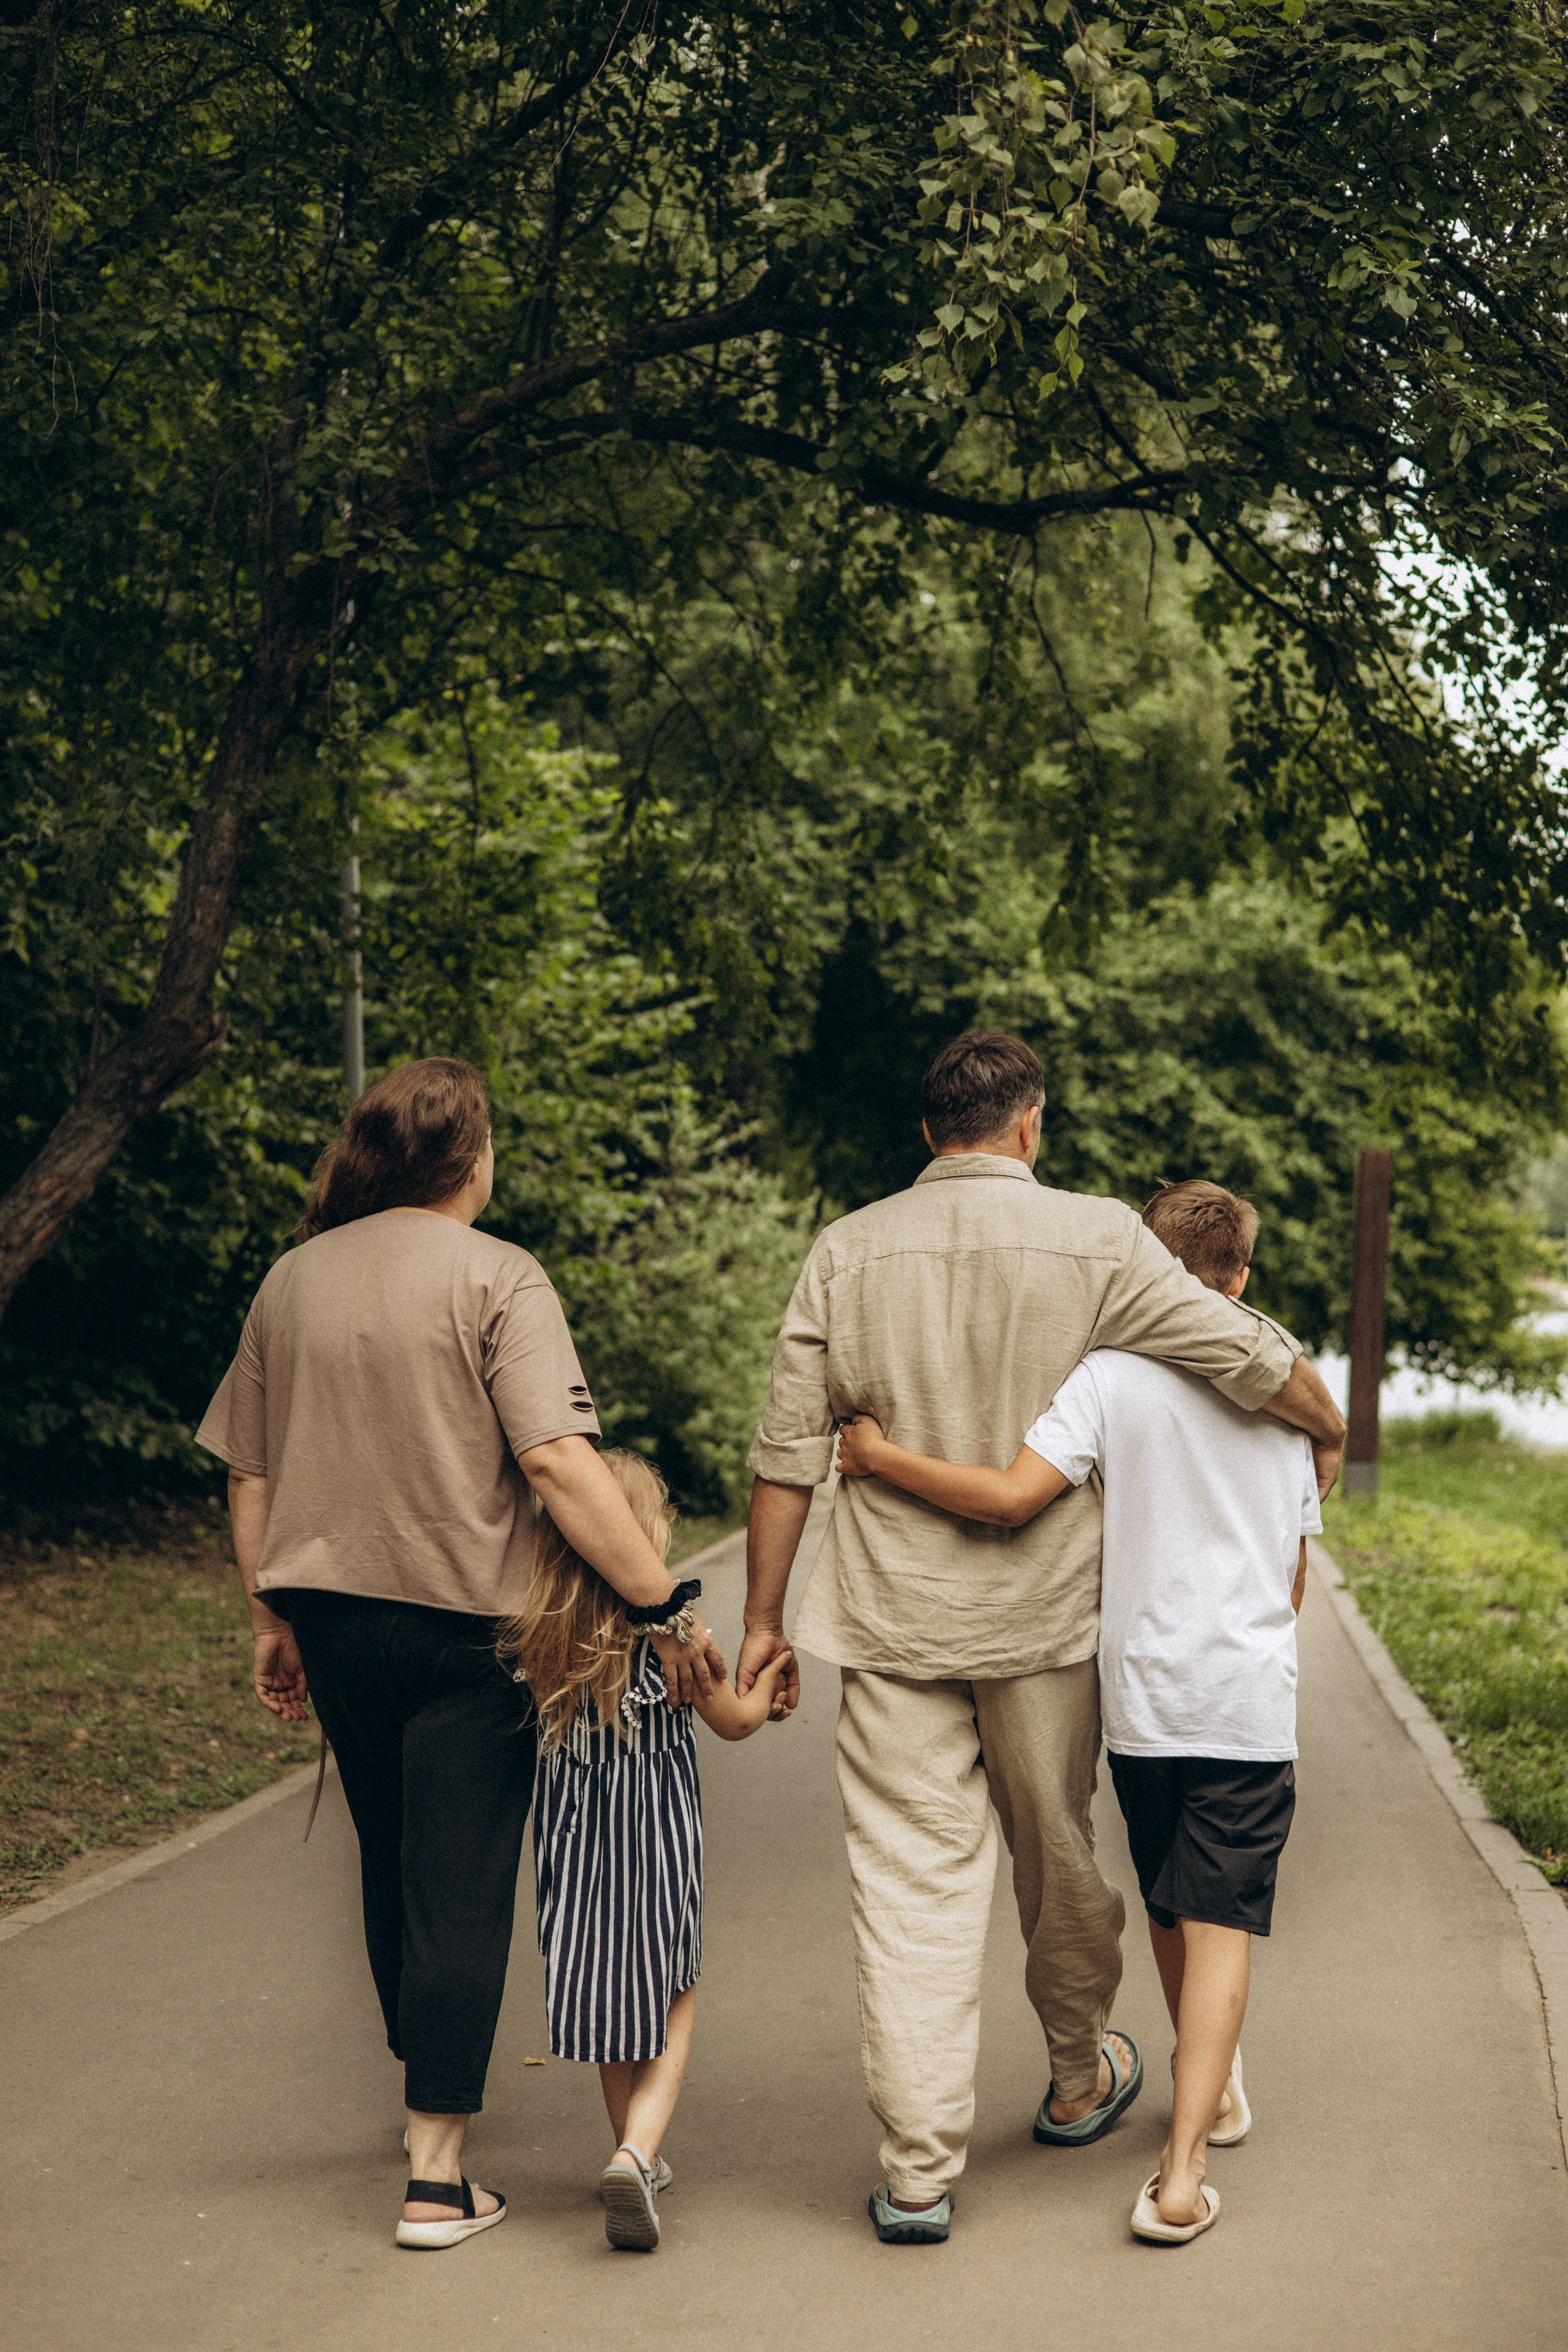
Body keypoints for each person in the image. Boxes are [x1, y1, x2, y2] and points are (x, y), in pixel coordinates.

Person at [739, 1031, 1345, 2244]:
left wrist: (762, 1619)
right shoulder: (1099, 1236)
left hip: (891, 1615)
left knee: (908, 1881)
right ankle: (1078, 2073)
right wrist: (1321, 1418)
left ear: (927, 1134)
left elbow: (784, 1452)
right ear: (1028, 1124)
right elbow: (1236, 1354)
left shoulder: (844, 1248)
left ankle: (916, 2173)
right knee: (1057, 1853)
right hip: (1047, 1618)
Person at [195, 1057, 725, 2252]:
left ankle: (423, 2095)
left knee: (393, 1861)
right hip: (464, 1626)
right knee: (460, 1879)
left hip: (331, 1617)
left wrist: (271, 1618)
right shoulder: (498, 1275)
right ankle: (435, 2176)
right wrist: (660, 1602)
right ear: (470, 1160)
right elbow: (553, 1460)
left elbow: (250, 1471)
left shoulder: (292, 1282)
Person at [839, 1177, 1317, 2245]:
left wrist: (874, 1458)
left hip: (1143, 1700)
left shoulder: (1109, 1378)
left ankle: (1207, 2088)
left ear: (1143, 1271)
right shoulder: (1285, 1399)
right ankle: (1188, 2163)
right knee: (1222, 1920)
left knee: (1162, 1896)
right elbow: (1291, 1576)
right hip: (1243, 1701)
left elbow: (1011, 1500)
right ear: (1241, 1276)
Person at [497, 1448, 794, 2252]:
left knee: (608, 2000)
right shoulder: (672, 1630)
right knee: (673, 1994)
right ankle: (637, 2150)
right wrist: (773, 1685)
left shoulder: (541, 1633)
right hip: (655, 1838)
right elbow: (732, 1721)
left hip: (573, 1843)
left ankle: (631, 2149)